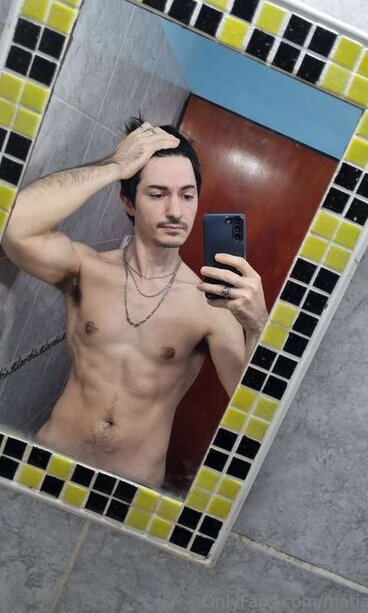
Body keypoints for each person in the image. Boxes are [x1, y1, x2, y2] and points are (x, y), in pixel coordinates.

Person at [2, 119, 268, 488]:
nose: (175, 211)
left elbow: (253, 412)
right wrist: (115, 166)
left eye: (187, 195)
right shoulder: (86, 269)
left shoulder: (210, 305)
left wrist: (257, 326)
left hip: (128, 492)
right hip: (47, 463)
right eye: (157, 194)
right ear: (129, 202)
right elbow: (13, 225)